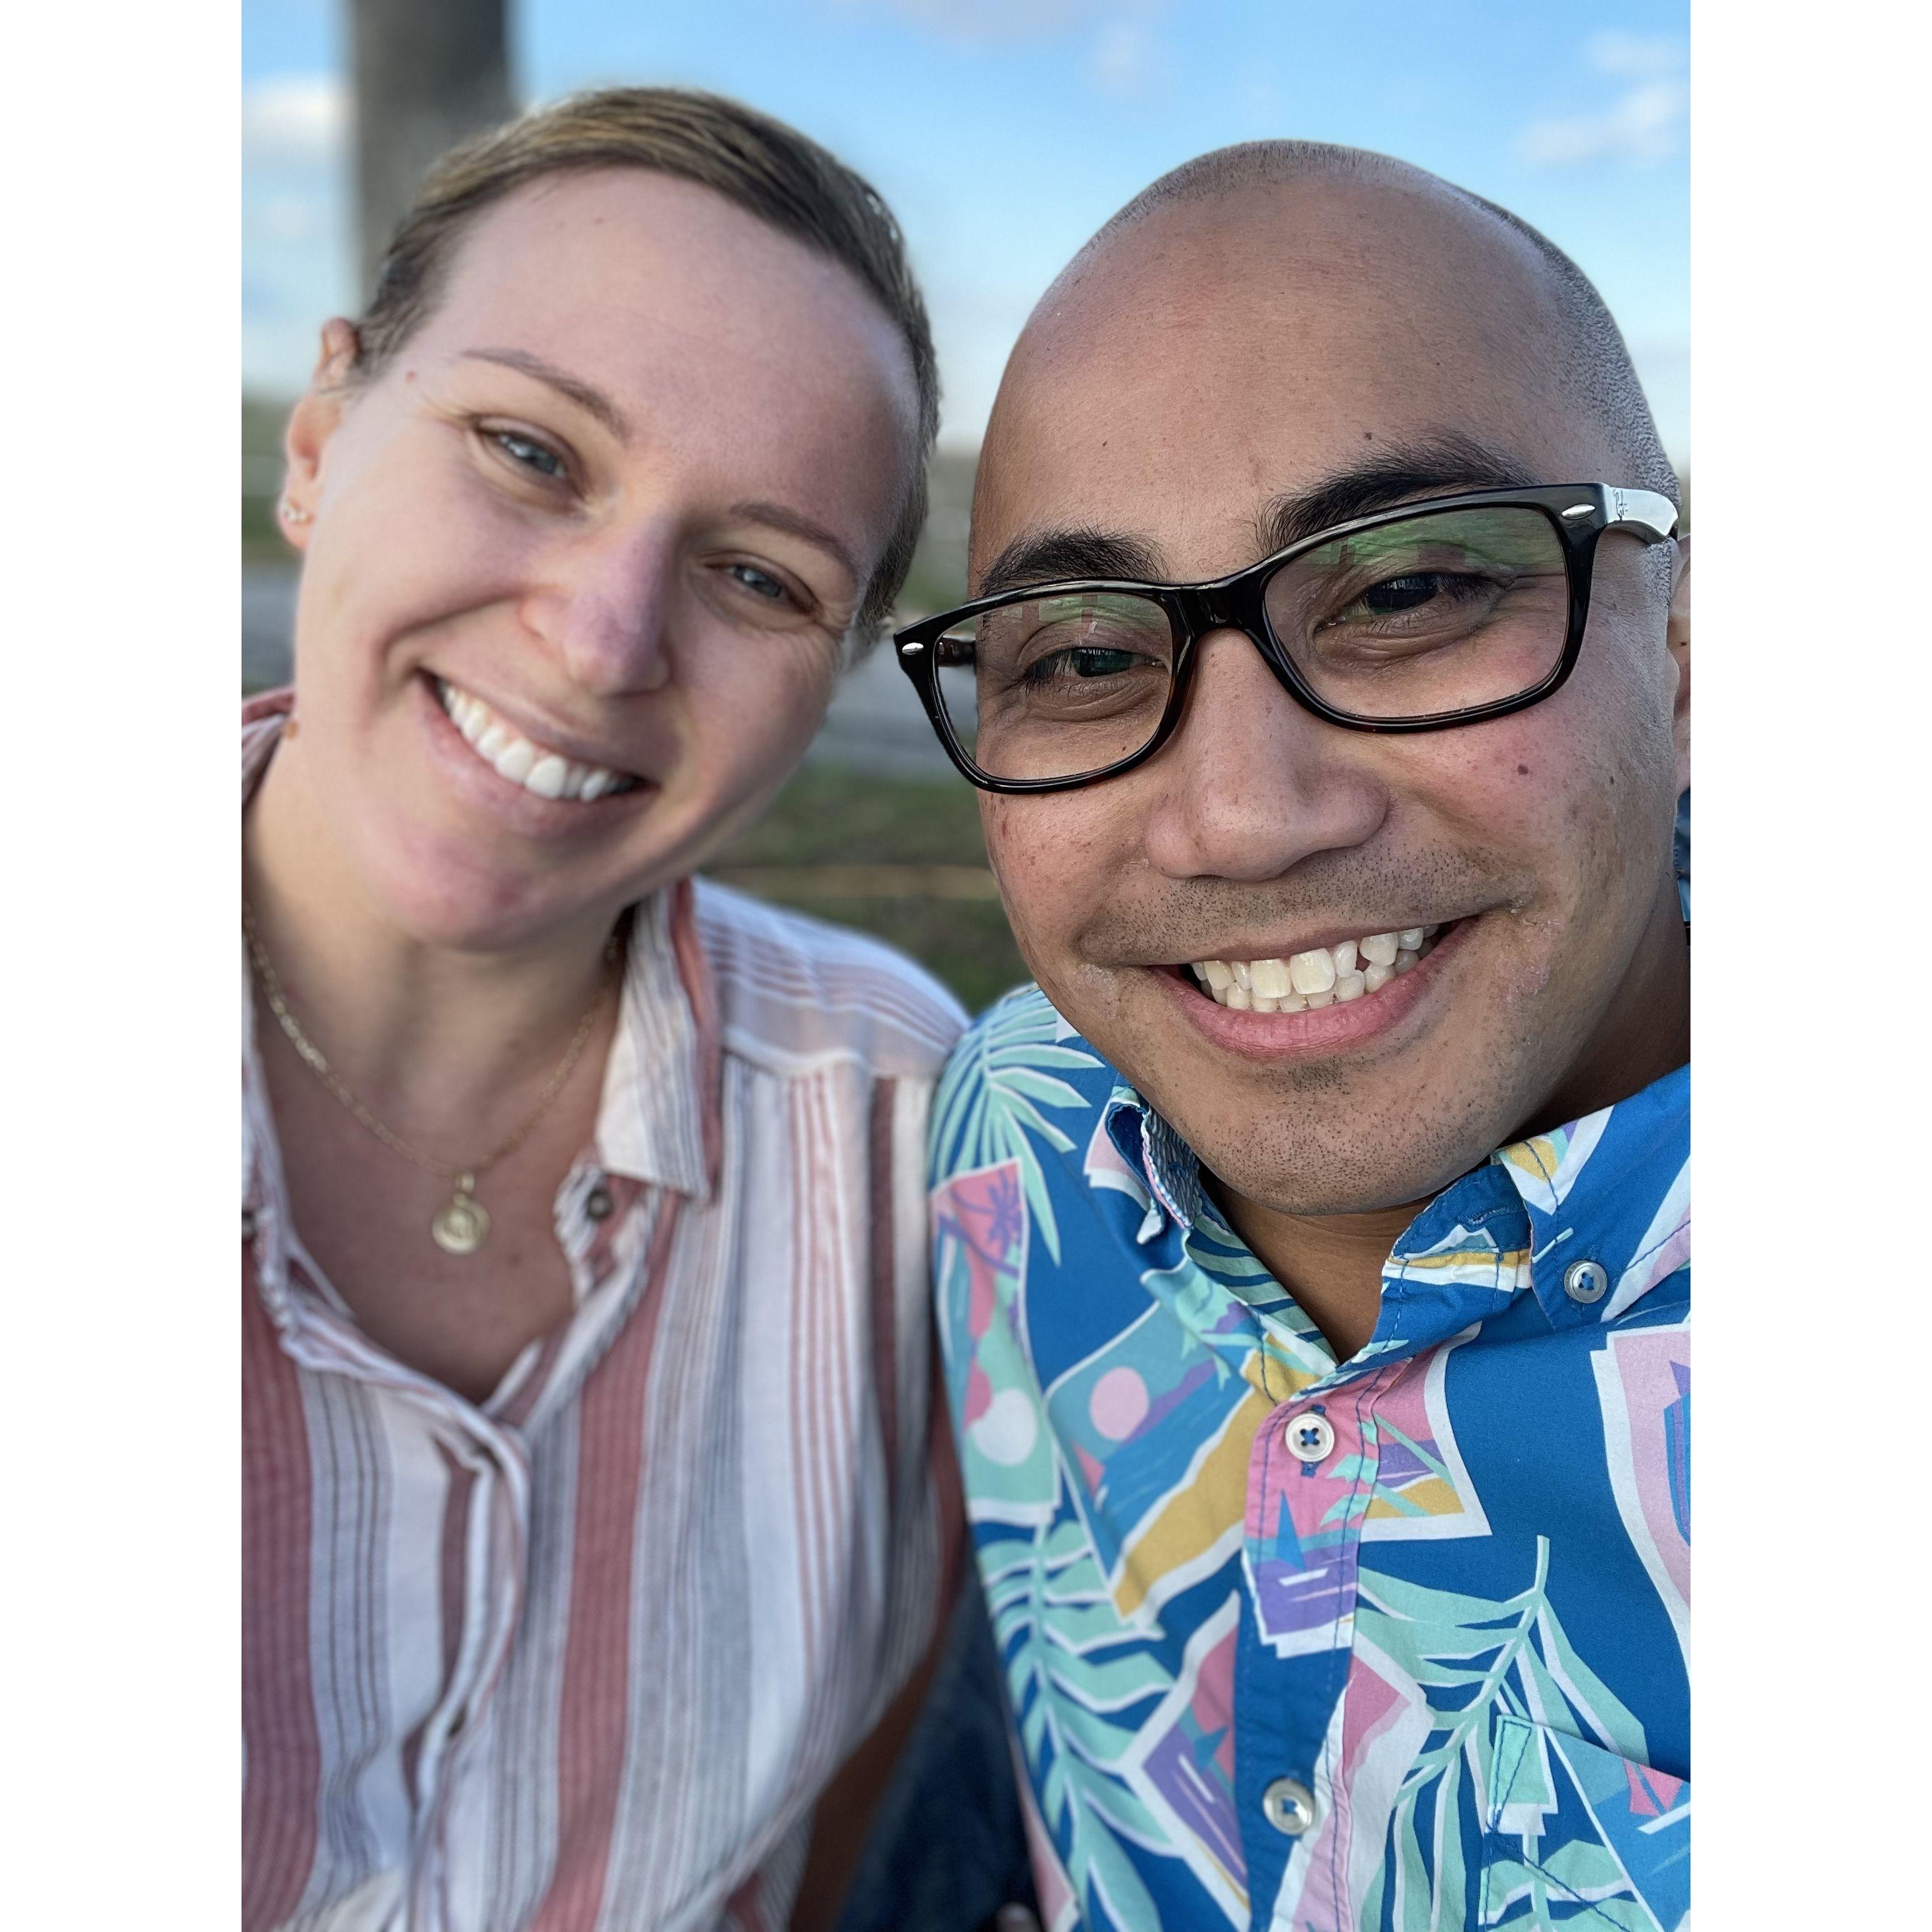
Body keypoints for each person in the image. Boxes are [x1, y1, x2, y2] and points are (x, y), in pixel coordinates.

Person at [904, 143, 1690, 1931]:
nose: (1242, 818)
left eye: (1409, 593)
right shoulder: (1018, 1131)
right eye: (1087, 655)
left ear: (1695, 648)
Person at [242, 88, 977, 1932]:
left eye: (757, 576)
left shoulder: (900, 1126)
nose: (602, 635)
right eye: (531, 450)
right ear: (323, 434)